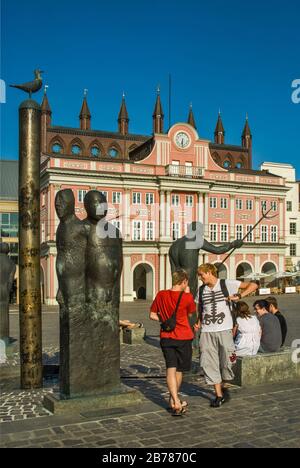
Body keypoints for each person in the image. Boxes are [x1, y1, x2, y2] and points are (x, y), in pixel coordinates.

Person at [195, 264, 258, 408]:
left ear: (209, 272)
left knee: (228, 360)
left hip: (224, 329)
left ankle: (223, 382)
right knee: (208, 362)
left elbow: (254, 285)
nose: (200, 278)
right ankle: (218, 395)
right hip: (207, 331)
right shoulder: (201, 290)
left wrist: (240, 295)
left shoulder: (227, 284)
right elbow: (201, 308)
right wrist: (198, 322)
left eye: (201, 275)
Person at [150, 269, 196, 416]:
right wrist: (187, 294)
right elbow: (190, 314)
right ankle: (176, 401)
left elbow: (152, 315)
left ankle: (174, 399)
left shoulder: (161, 294)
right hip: (183, 337)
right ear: (183, 282)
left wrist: (165, 321)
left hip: (166, 337)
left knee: (170, 368)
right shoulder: (187, 297)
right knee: (179, 370)